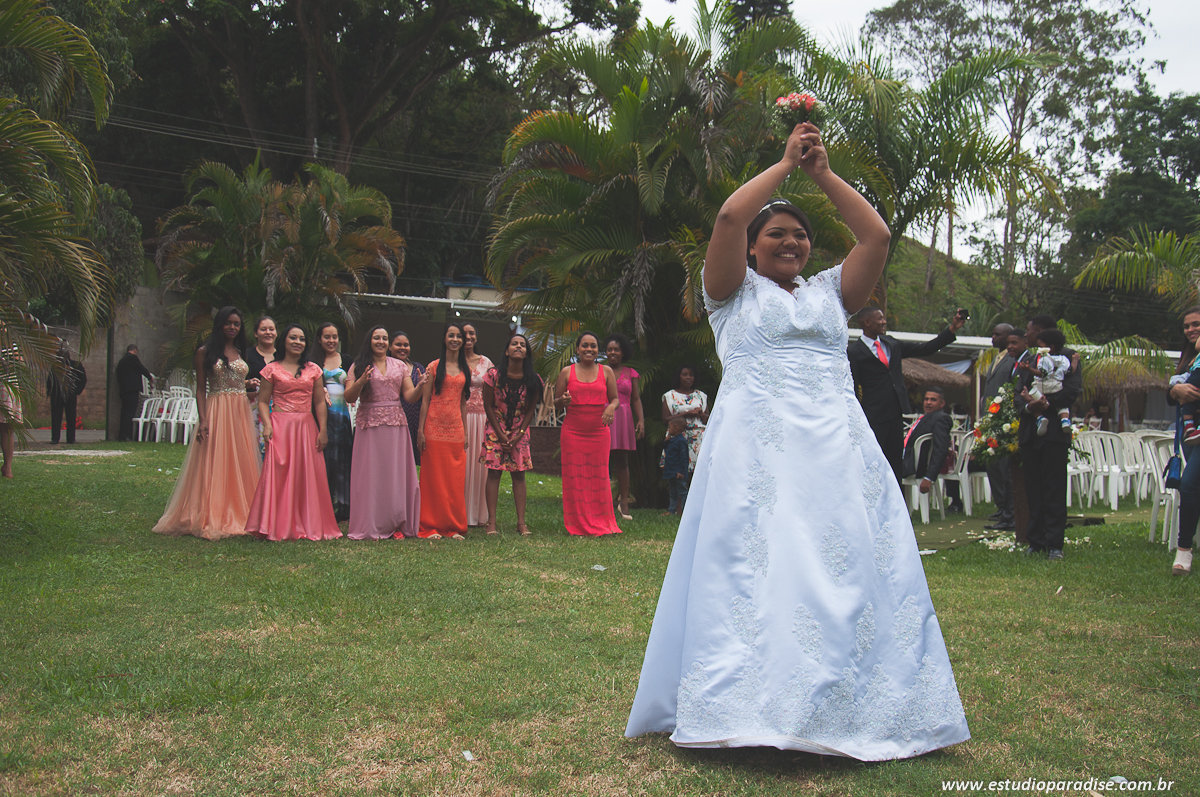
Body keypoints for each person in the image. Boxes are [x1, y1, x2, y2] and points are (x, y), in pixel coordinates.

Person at [625, 122, 969, 759]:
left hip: (836, 449)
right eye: (776, 234)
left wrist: (821, 175)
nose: (791, 241)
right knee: (762, 569)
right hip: (756, 452)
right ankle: (749, 708)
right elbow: (729, 215)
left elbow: (878, 235)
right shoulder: (731, 294)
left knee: (844, 568)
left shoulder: (833, 295)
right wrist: (784, 165)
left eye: (800, 234)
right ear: (754, 249)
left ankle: (846, 703)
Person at [153, 306, 261, 539]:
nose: (232, 327)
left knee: (239, 458)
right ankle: (212, 512)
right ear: (220, 324)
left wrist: (247, 384)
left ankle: (242, 509)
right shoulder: (204, 352)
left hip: (240, 410)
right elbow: (200, 389)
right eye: (228, 323)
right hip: (217, 409)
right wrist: (203, 420)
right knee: (216, 457)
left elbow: (235, 383)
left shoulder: (241, 352)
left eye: (237, 324)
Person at [245, 324, 342, 541]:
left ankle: (308, 522)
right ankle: (276, 523)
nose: (298, 342)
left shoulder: (313, 370)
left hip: (307, 425)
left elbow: (319, 402)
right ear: (284, 341)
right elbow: (262, 401)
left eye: (301, 339)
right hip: (280, 424)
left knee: (306, 473)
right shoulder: (271, 369)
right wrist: (267, 425)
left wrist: (323, 429)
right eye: (293, 338)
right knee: (279, 471)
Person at [848, 306, 965, 482]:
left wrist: (952, 329)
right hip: (873, 414)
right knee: (873, 461)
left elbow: (925, 349)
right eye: (879, 319)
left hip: (895, 411)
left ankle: (898, 505)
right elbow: (853, 385)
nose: (884, 322)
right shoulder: (854, 351)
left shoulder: (891, 343)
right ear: (867, 322)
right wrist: (856, 414)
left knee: (895, 463)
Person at [344, 326, 424, 540]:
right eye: (376, 338)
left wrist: (422, 385)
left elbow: (409, 396)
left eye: (384, 338)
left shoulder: (398, 365)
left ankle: (394, 519)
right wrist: (360, 382)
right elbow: (349, 398)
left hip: (396, 424)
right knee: (371, 474)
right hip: (369, 424)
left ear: (388, 343)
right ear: (369, 340)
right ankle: (370, 521)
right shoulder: (358, 365)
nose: (380, 341)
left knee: (394, 473)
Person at [1015, 314, 1082, 561]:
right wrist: (1028, 408)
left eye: (1030, 331)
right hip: (1030, 434)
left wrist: (1045, 404)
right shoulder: (1030, 360)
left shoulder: (1068, 358)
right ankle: (1036, 541)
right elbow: (1017, 393)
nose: (1026, 335)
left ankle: (1055, 544)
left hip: (1054, 434)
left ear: (1041, 333)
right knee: (1033, 488)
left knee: (1054, 488)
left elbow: (1072, 391)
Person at [555, 331, 622, 537]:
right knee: (575, 478)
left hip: (598, 432)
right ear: (577, 349)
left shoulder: (607, 371)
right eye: (585, 345)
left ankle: (601, 521)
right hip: (573, 432)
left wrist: (611, 407)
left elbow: (615, 399)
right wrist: (563, 401)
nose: (589, 349)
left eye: (593, 346)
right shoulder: (567, 372)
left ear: (597, 350)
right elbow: (556, 403)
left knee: (598, 477)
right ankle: (577, 523)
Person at [480, 333, 543, 537]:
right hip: (494, 429)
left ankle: (521, 524)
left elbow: (531, 410)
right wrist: (500, 434)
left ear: (526, 353)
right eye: (514, 344)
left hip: (520, 431)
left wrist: (519, 434)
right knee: (494, 473)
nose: (518, 347)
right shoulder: (493, 375)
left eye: (522, 345)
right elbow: (488, 406)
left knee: (519, 474)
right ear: (506, 351)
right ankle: (491, 523)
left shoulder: (534, 380)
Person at [417, 322, 470, 540]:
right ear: (444, 339)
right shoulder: (433, 367)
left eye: (459, 336)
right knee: (433, 480)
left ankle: (454, 527)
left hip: (456, 430)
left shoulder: (464, 368)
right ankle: (430, 526)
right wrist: (420, 430)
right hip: (433, 429)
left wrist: (465, 431)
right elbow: (425, 400)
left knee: (454, 481)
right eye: (451, 335)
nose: (455, 339)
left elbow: (463, 403)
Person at [1166, 307, 1200, 575]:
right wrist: (1174, 389)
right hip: (1191, 434)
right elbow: (1174, 391)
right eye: (1187, 326)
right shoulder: (1189, 356)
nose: (1191, 329)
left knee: (1189, 485)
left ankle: (1184, 550)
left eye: (1196, 324)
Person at [980, 324, 1018, 531]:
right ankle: (1001, 505)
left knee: (1003, 466)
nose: (993, 338)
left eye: (997, 334)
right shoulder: (995, 358)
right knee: (992, 464)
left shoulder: (1013, 360)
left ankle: (1009, 511)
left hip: (1002, 420)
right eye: (992, 333)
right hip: (990, 419)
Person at [315, 322, 353, 521]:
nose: (331, 341)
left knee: (343, 460)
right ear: (319, 339)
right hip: (319, 417)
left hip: (342, 418)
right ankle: (323, 504)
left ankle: (345, 507)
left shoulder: (347, 360)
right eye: (327, 337)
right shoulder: (312, 361)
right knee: (324, 459)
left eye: (334, 337)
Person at [605, 333, 644, 520]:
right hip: (603, 417)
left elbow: (636, 398)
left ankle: (624, 503)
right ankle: (602, 502)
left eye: (617, 349)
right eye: (610, 349)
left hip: (624, 417)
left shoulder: (631, 373)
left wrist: (641, 420)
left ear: (623, 352)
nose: (613, 352)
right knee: (602, 461)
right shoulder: (599, 370)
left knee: (622, 461)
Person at [462, 323, 495, 527]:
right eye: (463, 333)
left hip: (482, 417)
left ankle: (479, 515)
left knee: (480, 466)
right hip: (460, 417)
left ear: (476, 337)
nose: (468, 337)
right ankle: (460, 512)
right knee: (462, 465)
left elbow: (494, 389)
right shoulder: (452, 362)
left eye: (471, 333)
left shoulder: (486, 362)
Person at [1017, 327, 1073, 436]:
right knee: (1062, 407)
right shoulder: (1064, 359)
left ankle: (1040, 417)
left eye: (1040, 347)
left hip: (1041, 387)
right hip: (1057, 386)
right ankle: (1065, 420)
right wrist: (1074, 361)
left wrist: (1029, 369)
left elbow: (1042, 373)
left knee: (1030, 397)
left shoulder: (1044, 358)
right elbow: (1070, 370)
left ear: (1050, 348)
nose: (1038, 349)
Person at [903, 387, 953, 501]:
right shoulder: (926, 417)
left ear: (942, 403)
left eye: (933, 400)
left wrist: (929, 477)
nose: (928, 402)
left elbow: (941, 449)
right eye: (926, 399)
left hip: (915, 465)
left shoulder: (941, 418)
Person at [661, 365, 709, 473]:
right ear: (679, 377)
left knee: (698, 473)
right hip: (677, 438)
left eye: (691, 375)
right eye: (685, 375)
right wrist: (685, 414)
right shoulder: (669, 396)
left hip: (698, 439)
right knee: (679, 474)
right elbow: (665, 419)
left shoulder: (701, 396)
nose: (688, 377)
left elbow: (708, 420)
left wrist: (701, 414)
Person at [389, 331, 425, 465]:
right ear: (390, 347)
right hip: (392, 419)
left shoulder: (418, 368)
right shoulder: (384, 367)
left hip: (414, 419)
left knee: (413, 461)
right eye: (398, 344)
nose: (403, 348)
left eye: (406, 345)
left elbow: (424, 398)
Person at [245, 316, 278, 457]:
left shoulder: (283, 356)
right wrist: (248, 385)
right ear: (255, 333)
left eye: (271, 329)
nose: (268, 332)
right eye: (263, 329)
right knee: (252, 447)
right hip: (251, 407)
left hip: (278, 408)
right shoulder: (246, 355)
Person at [46, 342, 86, 444]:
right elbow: (50, 380)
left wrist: (77, 391)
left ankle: (60, 439)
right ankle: (67, 439)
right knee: (64, 417)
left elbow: (83, 379)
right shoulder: (59, 366)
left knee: (64, 417)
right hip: (60, 394)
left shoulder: (74, 365)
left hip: (66, 394)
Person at [115, 344, 152, 441]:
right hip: (132, 390)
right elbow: (141, 368)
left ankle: (122, 434)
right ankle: (127, 435)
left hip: (124, 390)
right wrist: (150, 377)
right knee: (130, 413)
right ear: (135, 350)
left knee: (124, 413)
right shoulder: (133, 359)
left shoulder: (121, 362)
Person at [660, 417, 689, 516]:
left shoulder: (681, 441)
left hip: (678, 472)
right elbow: (667, 449)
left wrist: (681, 471)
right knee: (673, 492)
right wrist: (666, 441)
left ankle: (685, 511)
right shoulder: (672, 440)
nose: (668, 429)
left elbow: (683, 458)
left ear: (676, 428)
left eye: (670, 427)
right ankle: (671, 510)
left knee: (682, 492)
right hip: (671, 471)